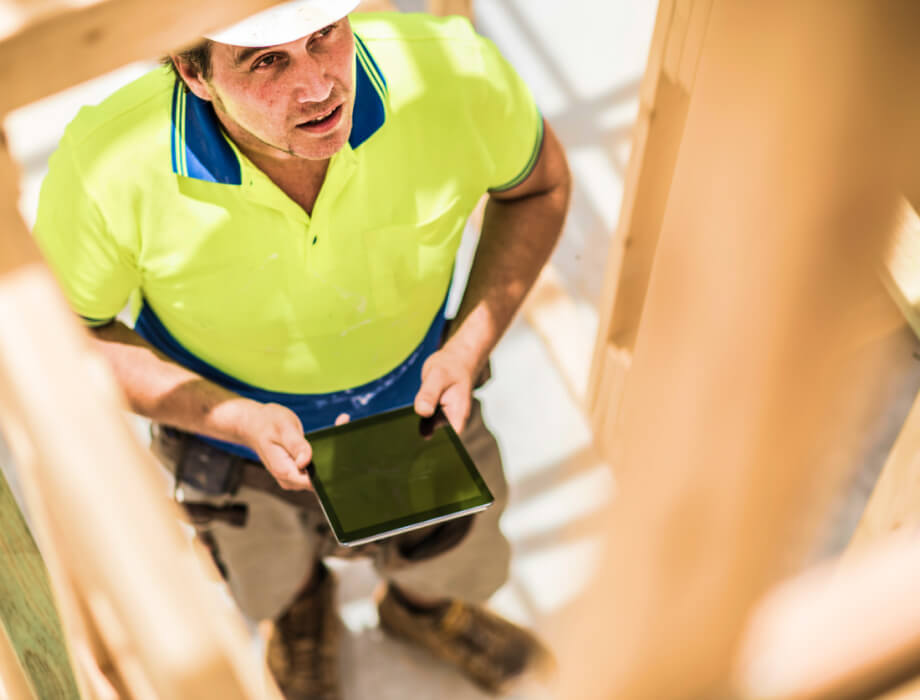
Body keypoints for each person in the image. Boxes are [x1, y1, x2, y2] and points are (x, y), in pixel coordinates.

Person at [33, 0, 571, 696]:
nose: (318, 86)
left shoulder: (453, 75)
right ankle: (300, 620)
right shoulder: (107, 165)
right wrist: (229, 418)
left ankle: (426, 612)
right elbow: (61, 334)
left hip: (419, 402)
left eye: (324, 36)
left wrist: (466, 347)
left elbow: (540, 187)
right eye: (267, 62)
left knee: (447, 554)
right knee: (268, 572)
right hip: (233, 440)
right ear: (192, 72)